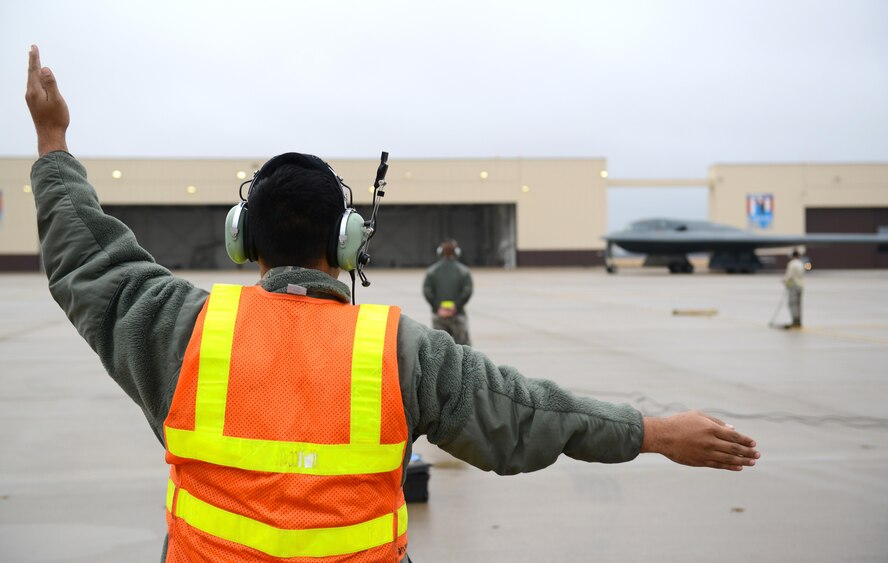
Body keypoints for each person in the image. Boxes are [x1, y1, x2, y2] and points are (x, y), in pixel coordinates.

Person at [25, 45, 759, 562]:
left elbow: (87, 258)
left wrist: (53, 142)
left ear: (243, 241)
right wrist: (656, 432)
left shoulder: (183, 330)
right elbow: (528, 415)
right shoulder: (398, 350)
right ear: (346, 247)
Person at [423, 239, 473, 345]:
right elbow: (467, 291)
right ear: (457, 252)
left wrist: (438, 308)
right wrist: (456, 307)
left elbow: (427, 291)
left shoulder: (432, 270)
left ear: (440, 252)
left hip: (439, 315)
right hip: (458, 315)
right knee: (463, 349)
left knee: (440, 347)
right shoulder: (463, 271)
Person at [784, 249, 805, 328]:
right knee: (799, 304)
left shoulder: (792, 264)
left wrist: (785, 281)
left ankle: (795, 321)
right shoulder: (801, 263)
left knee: (792, 304)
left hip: (793, 286)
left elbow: (789, 275)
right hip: (800, 286)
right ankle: (799, 321)